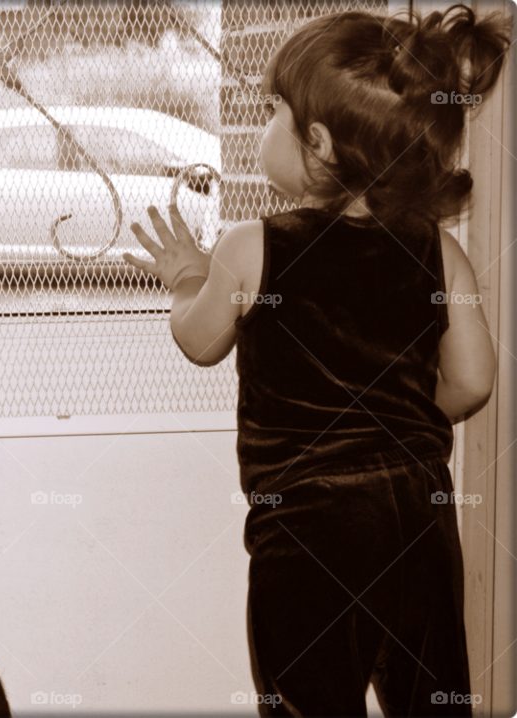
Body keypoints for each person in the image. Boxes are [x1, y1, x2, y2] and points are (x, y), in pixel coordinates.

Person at [124, 5, 510, 716]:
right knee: (432, 699)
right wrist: (403, 415)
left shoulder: (252, 247)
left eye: (275, 112)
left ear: (321, 143)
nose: (265, 126)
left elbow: (199, 341)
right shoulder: (438, 249)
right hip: (417, 519)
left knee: (309, 699)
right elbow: (474, 381)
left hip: (307, 531)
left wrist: (186, 278)